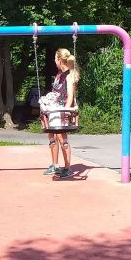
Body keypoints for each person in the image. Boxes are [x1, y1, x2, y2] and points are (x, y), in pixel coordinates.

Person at [39, 48, 79, 179]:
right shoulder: (59, 74)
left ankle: (67, 168)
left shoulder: (69, 75)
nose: (54, 61)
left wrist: (66, 111)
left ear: (60, 60)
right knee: (52, 135)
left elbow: (70, 96)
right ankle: (55, 165)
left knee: (62, 137)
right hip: (54, 108)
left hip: (63, 108)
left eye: (55, 59)